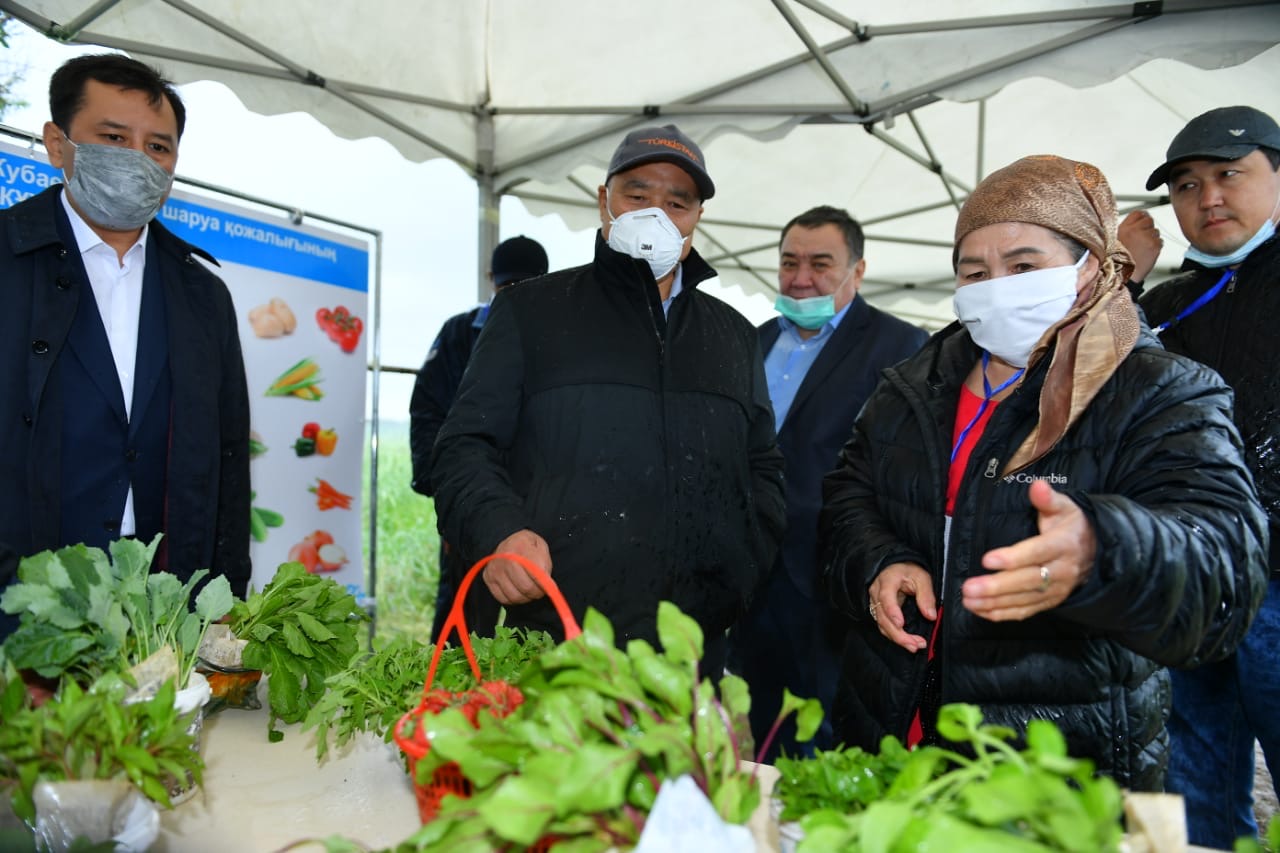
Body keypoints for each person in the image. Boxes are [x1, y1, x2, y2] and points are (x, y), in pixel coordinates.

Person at [820, 154, 1268, 791]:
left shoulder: (1159, 390)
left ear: (1089, 265)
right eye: (975, 272)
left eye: (1024, 266)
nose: (996, 287)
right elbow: (850, 492)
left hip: (1055, 759)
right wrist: (878, 561)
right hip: (890, 722)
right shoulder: (914, 384)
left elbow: (1223, 562)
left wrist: (1103, 550)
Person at [430, 124, 785, 672]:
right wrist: (498, 531)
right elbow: (463, 446)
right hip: (557, 637)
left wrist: (743, 569)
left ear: (697, 217)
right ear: (604, 201)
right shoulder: (531, 312)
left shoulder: (733, 335)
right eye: (637, 195)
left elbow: (762, 465)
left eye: (677, 203)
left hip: (691, 649)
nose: (656, 214)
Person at [0, 54, 252, 636]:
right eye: (114, 137)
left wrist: (224, 600)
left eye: (157, 146)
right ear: (58, 144)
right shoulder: (8, 262)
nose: (138, 158)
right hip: (21, 593)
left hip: (161, 602)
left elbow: (228, 459)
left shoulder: (201, 294)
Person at [726, 206, 927, 761]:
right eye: (789, 262)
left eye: (820, 264)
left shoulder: (899, 347)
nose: (801, 278)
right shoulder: (751, 342)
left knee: (827, 735)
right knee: (764, 726)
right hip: (752, 572)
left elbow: (902, 470)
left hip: (832, 580)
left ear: (857, 270)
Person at [1138, 105, 1280, 846]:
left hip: (1278, 581)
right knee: (1189, 783)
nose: (1209, 198)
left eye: (1230, 174)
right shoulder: (1160, 305)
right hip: (1184, 578)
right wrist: (1119, 275)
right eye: (1187, 186)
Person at [409, 234, 548, 633]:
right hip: (475, 496)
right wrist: (448, 498)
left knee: (537, 615)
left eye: (527, 285)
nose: (515, 295)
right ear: (491, 280)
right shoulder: (458, 334)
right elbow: (427, 413)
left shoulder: (562, 338)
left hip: (541, 502)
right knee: (463, 613)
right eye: (508, 286)